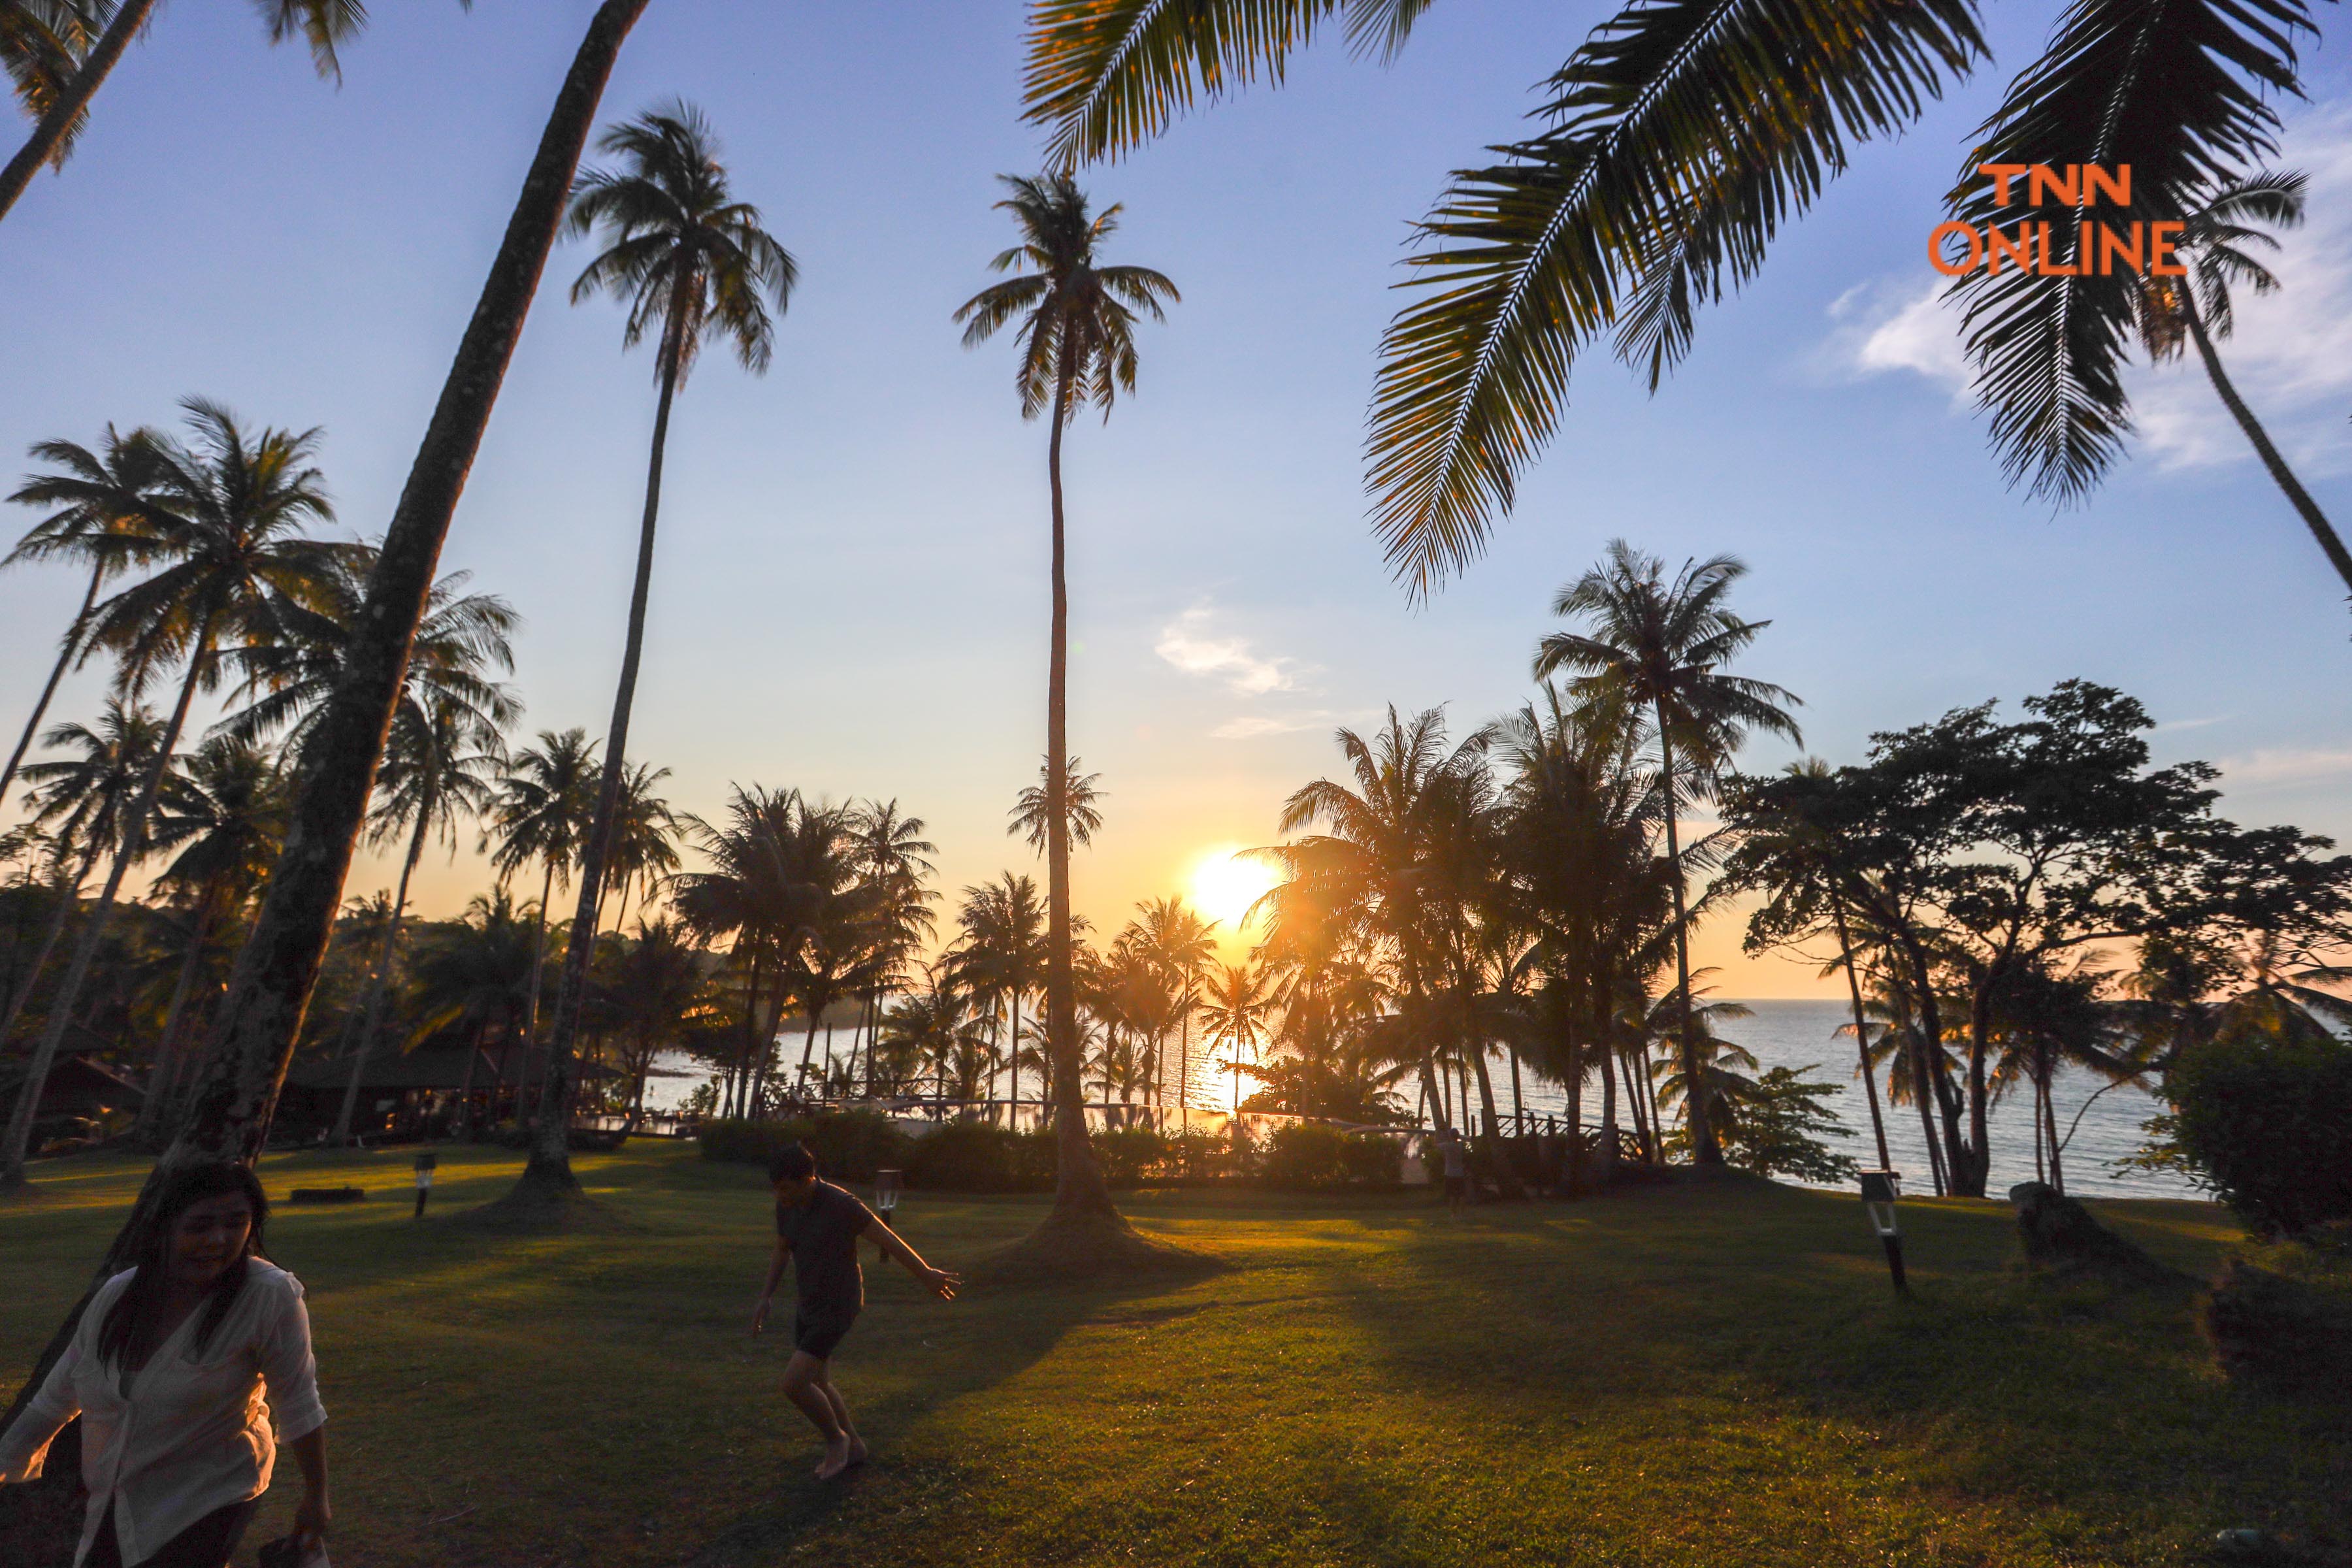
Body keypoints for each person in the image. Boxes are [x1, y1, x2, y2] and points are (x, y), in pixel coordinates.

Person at [0, 1161, 330, 1568]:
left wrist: (317, 1497)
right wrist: (7, 1458)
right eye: (200, 1225)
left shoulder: (269, 1295)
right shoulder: (118, 1297)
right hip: (119, 1497)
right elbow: (57, 1396)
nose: (218, 1239)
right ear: (165, 1227)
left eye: (236, 1223)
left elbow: (299, 1402)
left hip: (213, 1494)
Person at [751, 1141, 958, 1480]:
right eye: (775, 1189)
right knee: (818, 1380)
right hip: (809, 1303)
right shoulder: (786, 1204)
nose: (779, 1196)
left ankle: (838, 1440)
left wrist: (925, 1273)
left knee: (794, 1384)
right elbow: (782, 1250)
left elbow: (887, 1239)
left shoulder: (841, 1205)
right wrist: (765, 1296)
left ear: (808, 1179)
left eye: (785, 1188)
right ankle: (856, 1447)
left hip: (839, 1303)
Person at [1437, 1126, 1470, 1214]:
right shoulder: (1460, 1146)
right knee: (1462, 1194)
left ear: (1450, 1136)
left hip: (1449, 1173)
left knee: (1451, 1195)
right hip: (1460, 1173)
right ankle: (1462, 1213)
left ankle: (1453, 1213)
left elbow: (1437, 1145)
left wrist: (1440, 1134)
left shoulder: (1447, 1146)